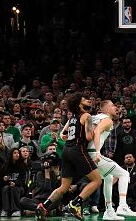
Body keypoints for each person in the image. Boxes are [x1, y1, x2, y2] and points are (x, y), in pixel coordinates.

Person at [35, 93, 102, 221]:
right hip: (78, 149)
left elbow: (62, 135)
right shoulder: (86, 116)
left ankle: (43, 206)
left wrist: (68, 136)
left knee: (64, 187)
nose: (88, 100)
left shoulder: (72, 118)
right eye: (85, 99)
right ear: (79, 104)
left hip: (66, 150)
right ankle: (75, 204)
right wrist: (97, 130)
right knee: (97, 180)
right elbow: (88, 137)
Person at [89, 100, 136, 220]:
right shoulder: (107, 120)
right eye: (112, 106)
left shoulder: (93, 118)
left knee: (109, 177)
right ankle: (122, 205)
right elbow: (96, 132)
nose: (115, 108)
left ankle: (109, 211)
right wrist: (96, 152)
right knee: (124, 174)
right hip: (92, 154)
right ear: (106, 109)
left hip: (85, 153)